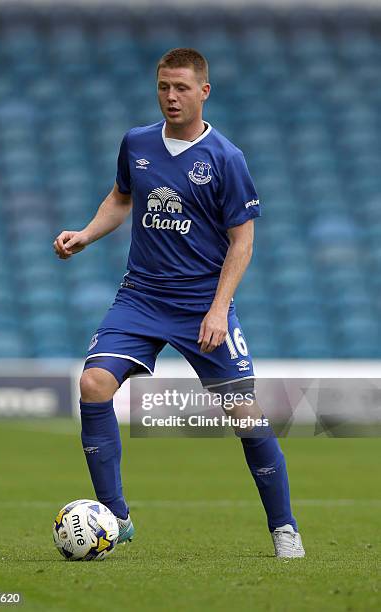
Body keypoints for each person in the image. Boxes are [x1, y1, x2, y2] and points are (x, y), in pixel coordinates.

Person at [53, 48, 305, 558]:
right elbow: (121, 197)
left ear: (203, 91)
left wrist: (218, 309)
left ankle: (285, 529)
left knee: (245, 415)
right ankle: (115, 518)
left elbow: (243, 242)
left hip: (200, 304)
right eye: (164, 87)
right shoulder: (137, 142)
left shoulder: (226, 159)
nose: (171, 96)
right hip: (141, 295)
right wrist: (87, 234)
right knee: (93, 382)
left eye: (182, 88)